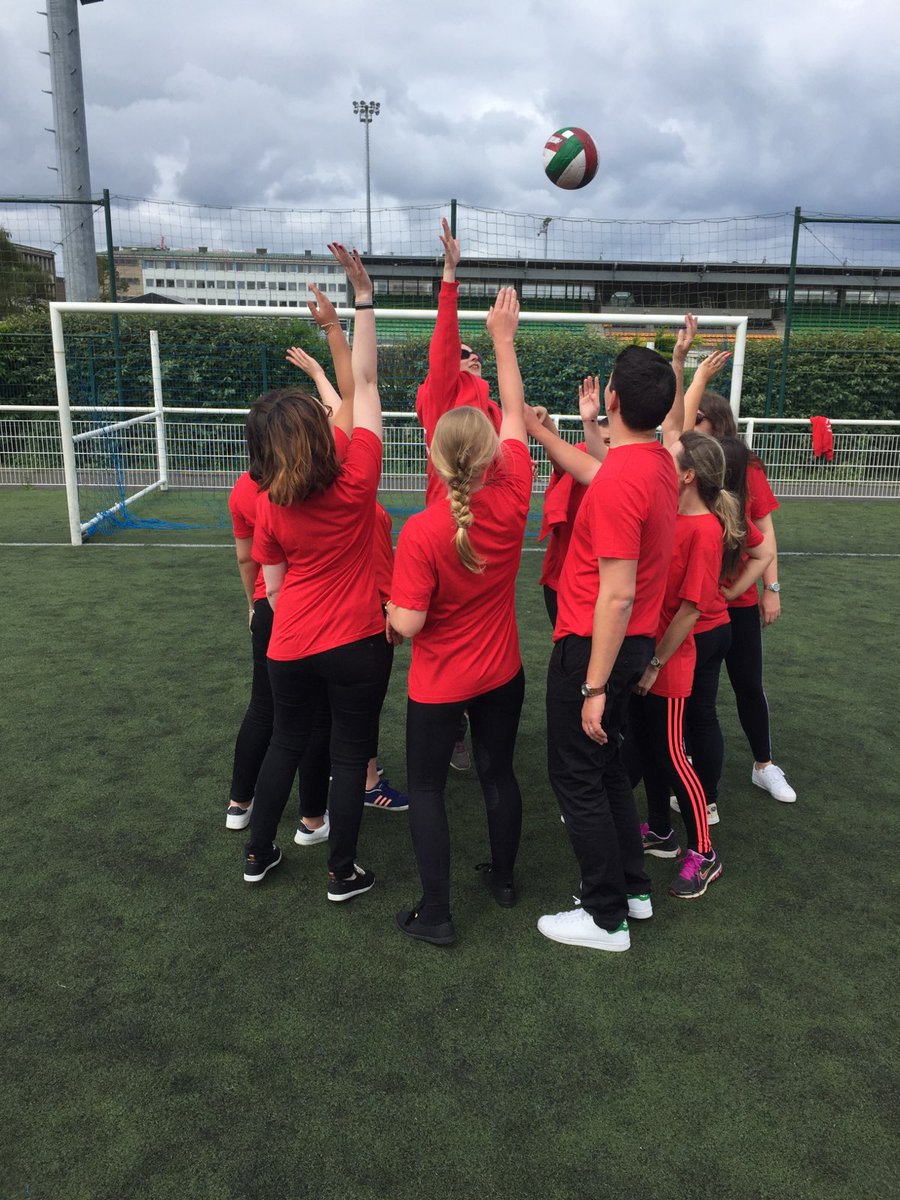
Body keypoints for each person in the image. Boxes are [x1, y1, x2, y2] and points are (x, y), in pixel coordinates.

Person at [243, 243, 392, 899]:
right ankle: (341, 873)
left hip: (291, 644)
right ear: (320, 431)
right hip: (358, 642)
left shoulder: (270, 505)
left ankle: (257, 852)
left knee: (285, 743)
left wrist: (344, 319)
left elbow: (271, 592)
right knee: (348, 754)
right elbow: (365, 386)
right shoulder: (359, 477)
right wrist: (360, 305)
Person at [526, 340, 683, 952]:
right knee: (608, 768)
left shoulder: (626, 479)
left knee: (577, 777)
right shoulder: (655, 462)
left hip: (597, 647)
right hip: (630, 645)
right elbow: (593, 467)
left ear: (613, 398)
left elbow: (615, 595)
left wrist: (592, 686)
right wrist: (545, 432)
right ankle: (633, 891)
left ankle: (604, 916)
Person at [387, 288, 532, 946]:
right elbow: (516, 426)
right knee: (499, 775)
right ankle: (502, 881)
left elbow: (409, 625)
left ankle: (438, 914)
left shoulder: (421, 530)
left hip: (440, 683)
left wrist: (389, 609)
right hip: (503, 674)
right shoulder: (517, 492)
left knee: (426, 790)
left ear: (435, 454)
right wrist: (502, 342)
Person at [628, 432, 770, 898]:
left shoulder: (705, 530)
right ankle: (663, 832)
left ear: (688, 475)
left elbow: (690, 610)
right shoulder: (669, 515)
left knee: (673, 754)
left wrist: (653, 664)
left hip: (669, 660)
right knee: (649, 748)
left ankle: (705, 853)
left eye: (668, 460)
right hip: (651, 650)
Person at [685, 357, 797, 803]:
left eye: (698, 418)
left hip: (738, 604)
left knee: (749, 684)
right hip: (695, 607)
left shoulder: (745, 467)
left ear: (716, 422)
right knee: (696, 698)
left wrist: (770, 588)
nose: (689, 425)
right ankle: (691, 766)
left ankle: (764, 765)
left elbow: (764, 533)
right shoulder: (687, 471)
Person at [224, 394, 329, 839]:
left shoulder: (245, 489)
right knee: (315, 717)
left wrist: (254, 605)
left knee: (264, 710)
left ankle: (239, 804)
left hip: (270, 610)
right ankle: (312, 819)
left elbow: (247, 559)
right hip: (313, 613)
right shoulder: (319, 483)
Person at [676, 436, 772, 826]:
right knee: (702, 715)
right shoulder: (724, 510)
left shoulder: (699, 519)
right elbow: (764, 552)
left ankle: (692, 806)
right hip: (717, 626)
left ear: (689, 474)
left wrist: (732, 588)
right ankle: (706, 801)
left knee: (684, 717)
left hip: (696, 631)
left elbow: (688, 607)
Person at [537, 383, 609, 627]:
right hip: (561, 576)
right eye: (603, 440)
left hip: (603, 584)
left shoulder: (629, 475)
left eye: (611, 442)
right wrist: (544, 421)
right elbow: (558, 453)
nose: (605, 447)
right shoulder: (580, 456)